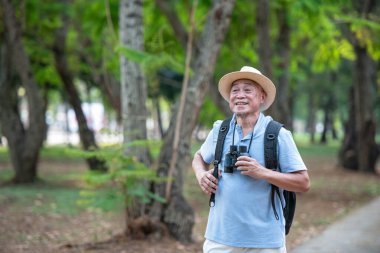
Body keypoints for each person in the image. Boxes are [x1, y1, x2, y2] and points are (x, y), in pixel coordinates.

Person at [192, 66, 310, 253]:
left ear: (262, 97)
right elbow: (198, 157)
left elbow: (303, 183)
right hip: (220, 238)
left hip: (265, 241)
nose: (240, 95)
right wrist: (201, 175)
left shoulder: (277, 134)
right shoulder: (220, 130)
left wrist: (262, 172)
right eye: (235, 90)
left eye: (248, 90)